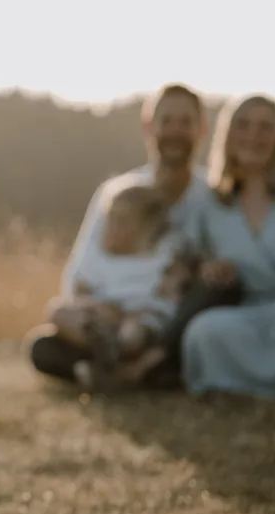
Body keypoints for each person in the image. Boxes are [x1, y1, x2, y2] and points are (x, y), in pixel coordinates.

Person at [28, 83, 233, 387]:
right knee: (41, 347)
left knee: (217, 288)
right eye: (167, 121)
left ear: (202, 130)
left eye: (185, 122)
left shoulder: (215, 197)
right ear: (149, 127)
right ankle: (136, 371)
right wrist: (106, 312)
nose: (175, 131)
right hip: (108, 323)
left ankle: (134, 366)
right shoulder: (115, 196)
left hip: (167, 323)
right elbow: (78, 277)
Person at [179, 93, 275, 399]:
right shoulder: (209, 200)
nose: (254, 136)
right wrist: (207, 268)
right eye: (244, 126)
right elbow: (188, 258)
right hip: (247, 316)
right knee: (203, 332)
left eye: (265, 127)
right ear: (228, 135)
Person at [43, 184, 184, 391]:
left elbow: (171, 298)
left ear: (147, 225)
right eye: (111, 218)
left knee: (131, 333)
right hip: (98, 320)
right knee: (57, 311)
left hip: (139, 320)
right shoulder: (98, 257)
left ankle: (110, 362)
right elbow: (79, 293)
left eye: (124, 220)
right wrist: (101, 310)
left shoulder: (164, 256)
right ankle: (108, 357)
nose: (114, 226)